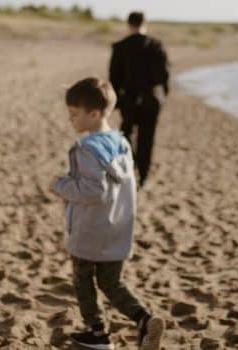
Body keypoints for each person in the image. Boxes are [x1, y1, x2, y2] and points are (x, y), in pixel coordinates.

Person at [50, 77, 164, 350]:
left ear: (95, 114)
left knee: (83, 282)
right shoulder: (121, 142)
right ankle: (144, 320)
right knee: (112, 283)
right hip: (118, 227)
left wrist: (60, 185)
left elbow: (93, 191)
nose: (71, 120)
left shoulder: (88, 149)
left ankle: (98, 333)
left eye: (74, 114)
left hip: (90, 230)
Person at [109, 11, 169, 189]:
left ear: (129, 24)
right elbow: (163, 77)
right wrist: (162, 98)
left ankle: (129, 169)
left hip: (128, 99)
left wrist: (116, 102)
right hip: (151, 99)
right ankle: (143, 176)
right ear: (145, 23)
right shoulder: (156, 46)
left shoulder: (120, 47)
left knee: (126, 135)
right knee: (147, 139)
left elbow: (114, 79)